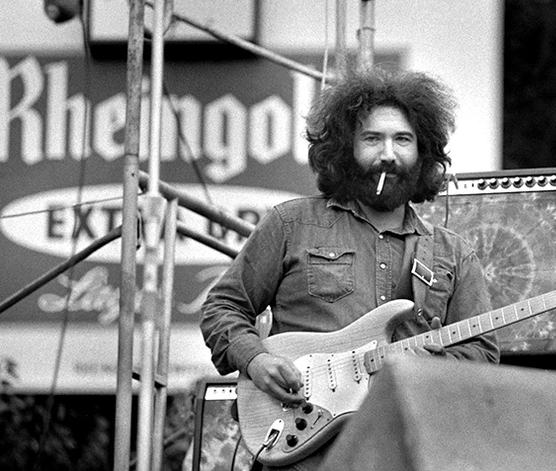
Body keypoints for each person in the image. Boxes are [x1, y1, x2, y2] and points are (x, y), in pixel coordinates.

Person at [200, 68, 500, 470]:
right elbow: (223, 307)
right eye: (372, 138)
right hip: (302, 448)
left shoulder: (453, 253)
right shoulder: (291, 224)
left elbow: (482, 352)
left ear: (424, 154)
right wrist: (256, 360)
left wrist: (434, 366)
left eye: (403, 140)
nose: (388, 154)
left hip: (401, 451)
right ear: (345, 148)